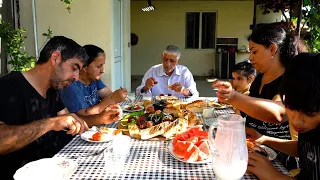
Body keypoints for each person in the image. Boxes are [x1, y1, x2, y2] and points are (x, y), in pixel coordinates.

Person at [213, 25, 307, 169]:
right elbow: (248, 109)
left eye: (254, 52)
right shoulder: (260, 78)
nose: (250, 58)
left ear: (272, 49)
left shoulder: (291, 79)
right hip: (252, 150)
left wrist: (234, 97)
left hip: (279, 161)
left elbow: (278, 113)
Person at [0, 36, 90, 179]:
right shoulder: (9, 86)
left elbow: (70, 122)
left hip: (58, 170)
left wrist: (101, 118)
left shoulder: (52, 91)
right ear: (55, 58)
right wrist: (51, 123)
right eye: (74, 68)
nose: (76, 77)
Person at [246, 53, 320, 180]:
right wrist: (264, 139)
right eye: (290, 107)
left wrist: (273, 176)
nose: (296, 120)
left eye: (309, 114)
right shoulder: (310, 126)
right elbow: (305, 149)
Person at [59, 44, 127, 127]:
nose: (103, 70)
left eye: (103, 65)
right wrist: (112, 100)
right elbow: (83, 115)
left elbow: (108, 94)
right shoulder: (71, 86)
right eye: (99, 66)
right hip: (82, 131)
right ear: (84, 68)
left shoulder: (94, 79)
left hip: (98, 125)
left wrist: (114, 103)